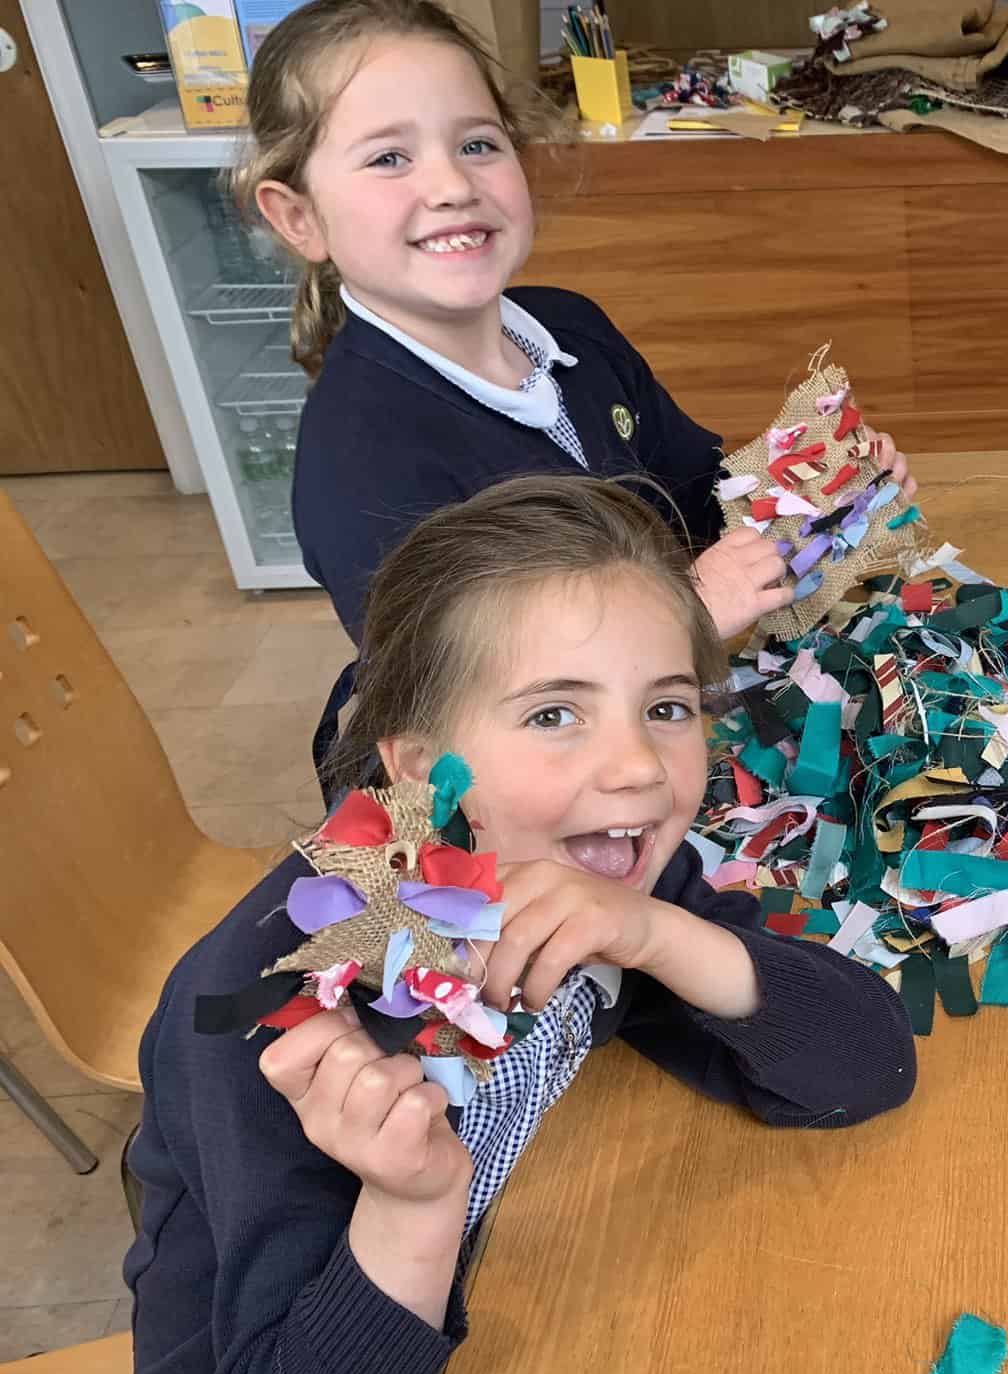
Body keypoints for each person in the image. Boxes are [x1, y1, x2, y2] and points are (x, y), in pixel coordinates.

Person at [120, 477, 918, 1374]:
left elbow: (867, 1070)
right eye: (554, 713)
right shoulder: (281, 1014)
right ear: (418, 767)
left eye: (667, 707)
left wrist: (658, 935)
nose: (637, 766)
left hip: (494, 1312)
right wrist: (410, 1205)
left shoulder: (600, 869)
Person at [233, 0, 917, 791]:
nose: (453, 184)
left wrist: (811, 487)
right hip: (523, 803)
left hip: (678, 707)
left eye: (478, 144)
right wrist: (688, 611)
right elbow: (470, 697)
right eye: (389, 159)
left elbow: (697, 488)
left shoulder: (570, 327)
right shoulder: (361, 459)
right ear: (298, 217)